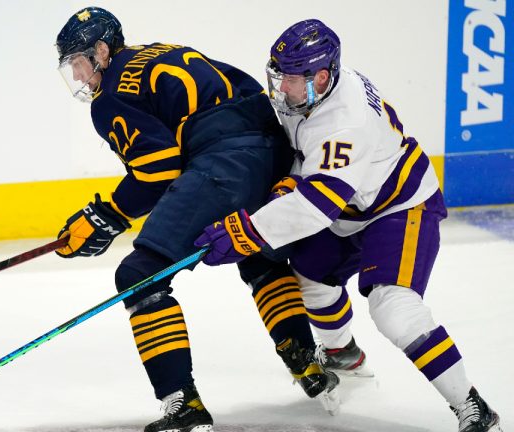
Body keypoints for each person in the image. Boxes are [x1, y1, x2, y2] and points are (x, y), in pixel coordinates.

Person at [195, 19, 502, 432]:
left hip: (399, 206)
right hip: (351, 204)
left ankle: (473, 407)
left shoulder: (345, 121)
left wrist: (244, 232)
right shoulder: (311, 96)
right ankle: (343, 356)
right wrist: (291, 175)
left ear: (321, 76)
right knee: (310, 280)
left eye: (288, 78)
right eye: (279, 75)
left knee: (394, 309)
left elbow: (316, 205)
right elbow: (309, 157)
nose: (280, 88)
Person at [54, 7, 339, 432]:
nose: (77, 76)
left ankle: (183, 406)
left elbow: (159, 169)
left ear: (101, 50)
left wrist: (108, 215)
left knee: (139, 275)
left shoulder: (109, 96)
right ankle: (307, 364)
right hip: (274, 150)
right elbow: (238, 86)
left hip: (226, 159)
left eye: (78, 63)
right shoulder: (154, 52)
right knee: (256, 251)